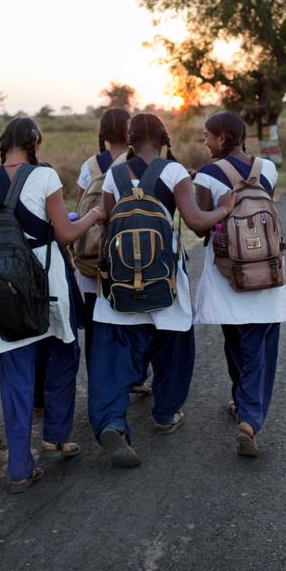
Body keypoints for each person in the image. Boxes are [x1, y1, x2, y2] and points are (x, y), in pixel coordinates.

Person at [88, 112, 235, 468]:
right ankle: (165, 414)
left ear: (130, 139)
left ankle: (111, 422)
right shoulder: (174, 172)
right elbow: (198, 221)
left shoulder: (114, 174)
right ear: (163, 138)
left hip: (120, 284)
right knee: (173, 348)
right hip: (164, 277)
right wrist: (224, 208)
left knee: (114, 357)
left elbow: (107, 225)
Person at [0, 118, 104, 492]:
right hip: (46, 279)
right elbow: (64, 233)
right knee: (64, 351)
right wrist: (94, 216)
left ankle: (19, 467)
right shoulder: (44, 177)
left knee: (14, 375)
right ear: (34, 142)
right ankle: (56, 437)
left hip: (3, 287)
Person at [193, 111, 286, 457]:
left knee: (237, 342)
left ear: (222, 137)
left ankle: (246, 415)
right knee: (259, 347)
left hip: (228, 274)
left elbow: (201, 227)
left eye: (207, 135)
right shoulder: (268, 169)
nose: (204, 142)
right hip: (266, 270)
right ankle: (247, 411)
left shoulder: (208, 175)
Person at [71, 107, 131, 372]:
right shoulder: (136, 162)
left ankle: (97, 373)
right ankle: (132, 375)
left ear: (103, 134)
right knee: (129, 317)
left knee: (95, 320)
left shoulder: (89, 166)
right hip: (128, 254)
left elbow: (79, 206)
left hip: (92, 254)